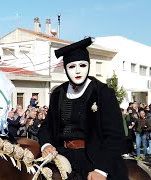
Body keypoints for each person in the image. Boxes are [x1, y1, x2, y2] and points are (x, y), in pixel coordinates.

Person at [37, 37, 128, 179]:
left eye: (83, 65)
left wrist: (102, 170)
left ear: (89, 66)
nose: (78, 71)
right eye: (72, 67)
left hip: (95, 159)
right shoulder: (57, 93)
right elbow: (46, 127)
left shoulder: (103, 93)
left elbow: (115, 137)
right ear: (66, 69)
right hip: (62, 155)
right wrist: (46, 145)